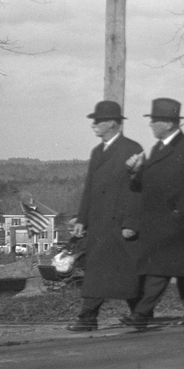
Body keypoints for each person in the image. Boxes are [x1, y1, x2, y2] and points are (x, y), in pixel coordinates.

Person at [120, 99, 184, 331]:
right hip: (154, 223)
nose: (150, 125)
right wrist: (134, 172)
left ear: (169, 124)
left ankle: (141, 314)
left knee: (160, 270)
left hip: (175, 224)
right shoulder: (156, 150)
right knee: (179, 270)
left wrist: (181, 213)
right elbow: (143, 187)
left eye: (155, 120)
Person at [67, 100, 144, 332]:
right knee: (98, 272)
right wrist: (82, 219)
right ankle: (88, 317)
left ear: (112, 123)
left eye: (98, 121)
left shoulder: (131, 149)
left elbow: (138, 190)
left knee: (124, 275)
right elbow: (89, 188)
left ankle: (140, 314)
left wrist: (131, 223)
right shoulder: (97, 151)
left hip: (120, 224)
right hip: (99, 225)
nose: (94, 125)